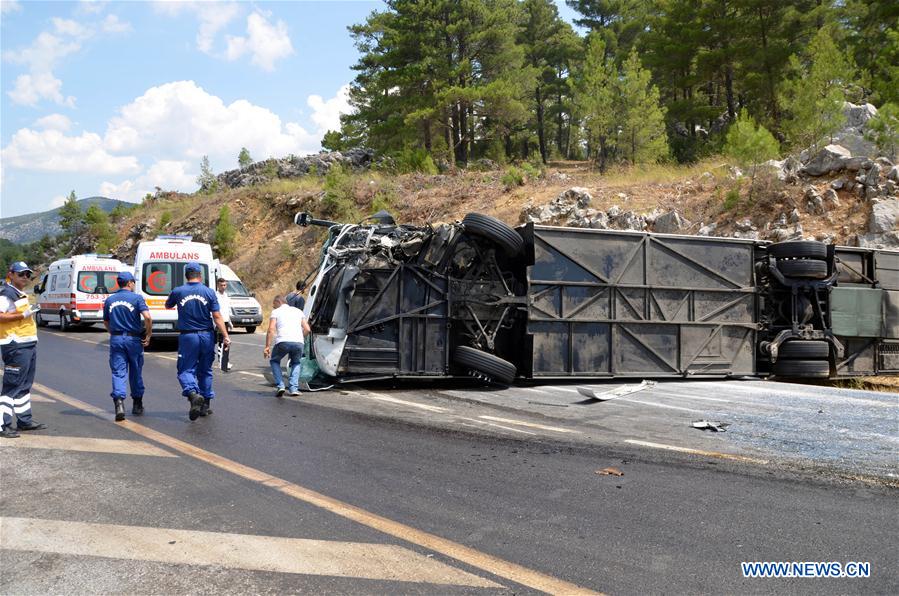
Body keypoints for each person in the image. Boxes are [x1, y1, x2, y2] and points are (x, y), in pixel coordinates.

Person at [165, 262, 230, 420]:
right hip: (207, 336)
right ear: (200, 275)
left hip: (188, 336)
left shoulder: (178, 291)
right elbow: (217, 316)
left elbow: (168, 305)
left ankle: (193, 395)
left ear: (186, 275)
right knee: (205, 370)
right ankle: (205, 405)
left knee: (185, 370)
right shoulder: (208, 292)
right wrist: (226, 335)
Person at [0, 261, 46, 438]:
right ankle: (2, 425)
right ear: (10, 274)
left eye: (28, 274)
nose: (25, 277)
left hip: (26, 343)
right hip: (15, 344)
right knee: (12, 385)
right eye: (21, 274)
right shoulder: (6, 293)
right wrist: (23, 314)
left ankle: (24, 421)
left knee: (24, 385)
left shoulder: (20, 293)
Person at [103, 271, 152, 421]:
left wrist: (114, 333)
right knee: (135, 371)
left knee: (118, 372)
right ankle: (137, 404)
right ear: (130, 283)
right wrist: (148, 334)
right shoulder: (137, 298)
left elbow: (106, 321)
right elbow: (148, 317)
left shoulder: (110, 300)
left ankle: (119, 404)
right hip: (133, 339)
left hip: (117, 339)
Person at [263, 295, 310, 396]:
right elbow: (307, 329)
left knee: (274, 361)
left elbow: (271, 330)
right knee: (296, 363)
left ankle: (280, 386)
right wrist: (300, 338)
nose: (273, 306)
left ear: (278, 302)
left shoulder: (276, 312)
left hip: (283, 341)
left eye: (274, 304)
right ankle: (293, 389)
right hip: (298, 342)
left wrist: (267, 346)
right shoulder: (298, 311)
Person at [214, 277, 233, 371]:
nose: (223, 287)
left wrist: (229, 321)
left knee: (225, 341)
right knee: (220, 341)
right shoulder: (215, 295)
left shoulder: (226, 295)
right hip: (218, 321)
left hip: (225, 321)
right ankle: (220, 361)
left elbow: (227, 309)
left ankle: (224, 361)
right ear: (218, 285)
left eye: (225, 285)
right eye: (221, 285)